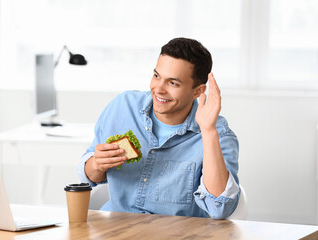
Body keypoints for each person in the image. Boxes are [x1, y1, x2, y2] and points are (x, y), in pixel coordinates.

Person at [77, 37, 240, 219]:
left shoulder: (218, 134)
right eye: (157, 76)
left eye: (173, 83)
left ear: (198, 91)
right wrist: (97, 164)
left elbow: (219, 209)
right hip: (114, 230)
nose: (159, 89)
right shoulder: (122, 107)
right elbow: (89, 177)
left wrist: (208, 131)